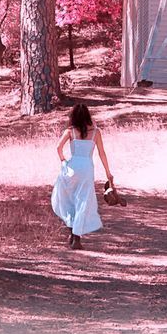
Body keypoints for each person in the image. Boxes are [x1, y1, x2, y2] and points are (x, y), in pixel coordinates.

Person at [51, 101, 116, 249]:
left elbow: (58, 147)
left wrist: (63, 161)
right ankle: (77, 238)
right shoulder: (96, 132)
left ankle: (72, 230)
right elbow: (101, 153)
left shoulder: (70, 131)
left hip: (72, 167)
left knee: (67, 199)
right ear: (88, 116)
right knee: (83, 201)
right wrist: (108, 173)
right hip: (87, 168)